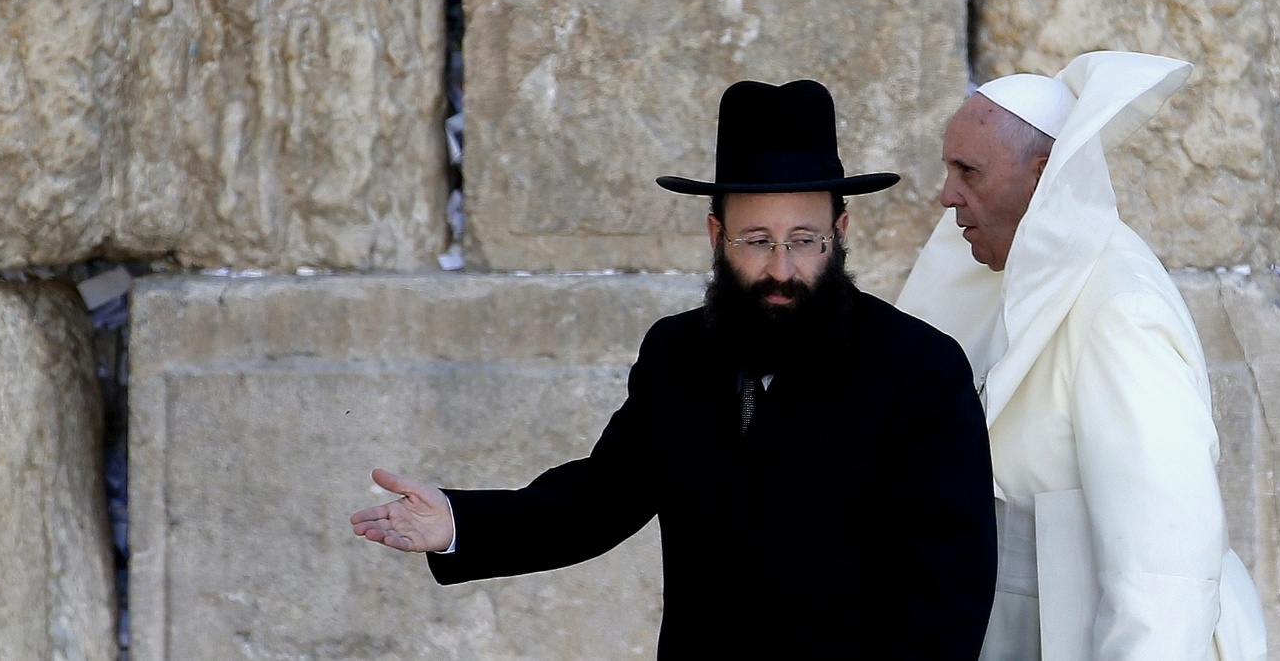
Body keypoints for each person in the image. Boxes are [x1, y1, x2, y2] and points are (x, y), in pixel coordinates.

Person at [351, 79, 998, 660]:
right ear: (716, 236)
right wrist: (459, 523)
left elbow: (949, 593)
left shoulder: (919, 368)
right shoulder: (678, 354)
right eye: (756, 240)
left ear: (841, 230)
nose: (782, 267)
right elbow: (596, 501)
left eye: (804, 238)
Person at [898, 51, 1271, 661]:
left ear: (1043, 177)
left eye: (969, 172)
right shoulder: (1003, 279)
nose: (947, 196)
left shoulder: (1121, 311)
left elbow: (1163, 572)